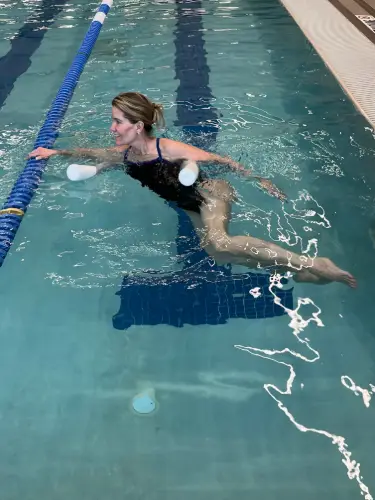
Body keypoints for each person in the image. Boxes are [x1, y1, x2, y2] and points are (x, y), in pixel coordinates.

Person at [29, 91, 356, 287]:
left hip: (212, 193)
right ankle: (296, 270)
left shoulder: (167, 149)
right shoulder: (124, 155)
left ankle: (313, 263)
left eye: (117, 121)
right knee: (217, 252)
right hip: (190, 205)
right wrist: (55, 153)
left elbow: (222, 160)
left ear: (138, 126)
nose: (112, 128)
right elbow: (92, 154)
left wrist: (261, 181)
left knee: (220, 241)